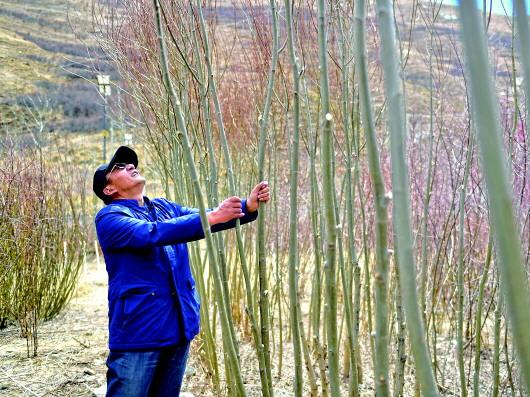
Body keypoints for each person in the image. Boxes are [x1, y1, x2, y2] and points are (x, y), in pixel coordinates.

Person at [92, 146, 270, 396]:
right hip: (139, 332)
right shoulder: (109, 218)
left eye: (130, 164)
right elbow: (152, 233)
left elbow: (205, 218)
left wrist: (247, 206)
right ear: (109, 189)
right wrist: (213, 217)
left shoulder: (164, 207)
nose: (130, 166)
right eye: (119, 167)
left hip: (178, 326)